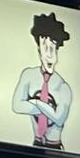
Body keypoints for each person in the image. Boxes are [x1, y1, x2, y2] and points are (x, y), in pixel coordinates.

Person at [13, 12, 75, 148]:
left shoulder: (63, 87)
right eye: (45, 48)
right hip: (36, 143)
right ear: (38, 49)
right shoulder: (29, 75)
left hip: (54, 145)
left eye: (53, 49)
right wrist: (48, 110)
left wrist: (36, 103)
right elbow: (17, 105)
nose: (49, 54)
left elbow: (59, 118)